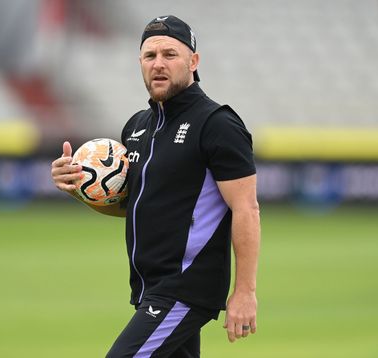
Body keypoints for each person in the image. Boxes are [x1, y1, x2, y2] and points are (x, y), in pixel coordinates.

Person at [52, 15, 260, 357]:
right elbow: (130, 206)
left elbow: (246, 208)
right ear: (140, 63)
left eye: (170, 54)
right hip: (149, 289)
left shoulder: (217, 123)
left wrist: (245, 291)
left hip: (184, 289)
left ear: (193, 61)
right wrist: (78, 187)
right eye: (150, 56)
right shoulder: (137, 127)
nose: (158, 64)